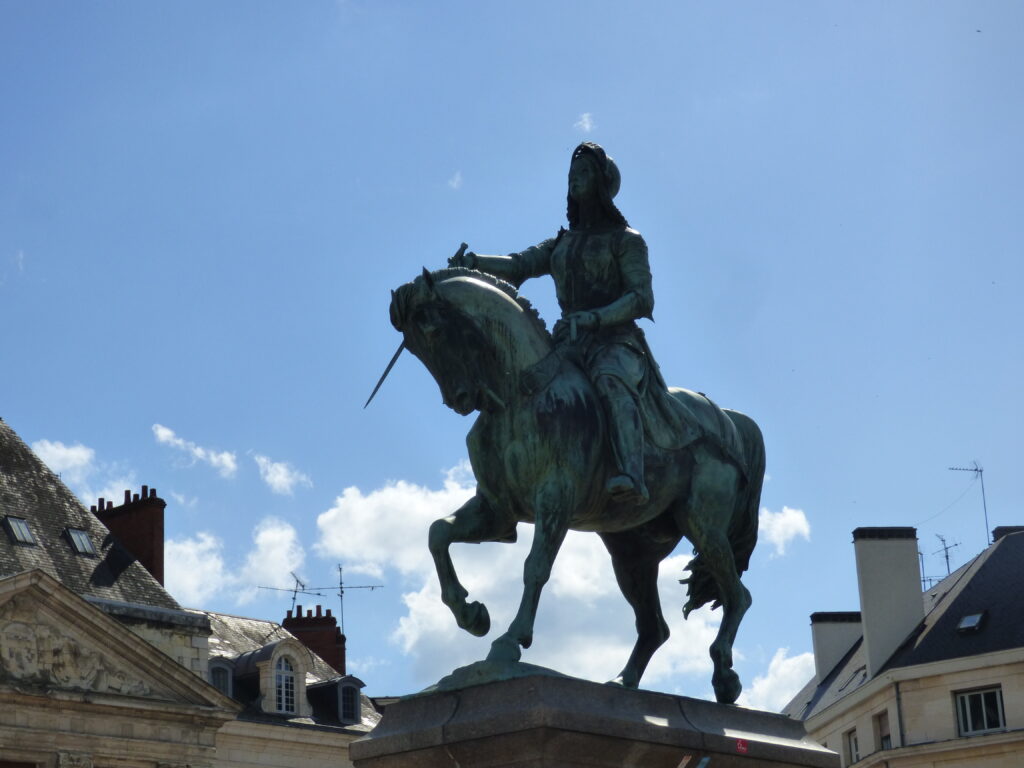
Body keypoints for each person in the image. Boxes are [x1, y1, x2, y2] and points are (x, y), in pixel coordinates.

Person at [450, 142, 656, 505]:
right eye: (571, 175)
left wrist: (594, 317)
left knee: (611, 383)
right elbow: (519, 265)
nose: (575, 180)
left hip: (615, 342)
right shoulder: (562, 242)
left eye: (585, 173)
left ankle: (633, 473)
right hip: (568, 344)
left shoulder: (627, 241)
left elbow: (641, 298)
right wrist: (474, 262)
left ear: (603, 184)